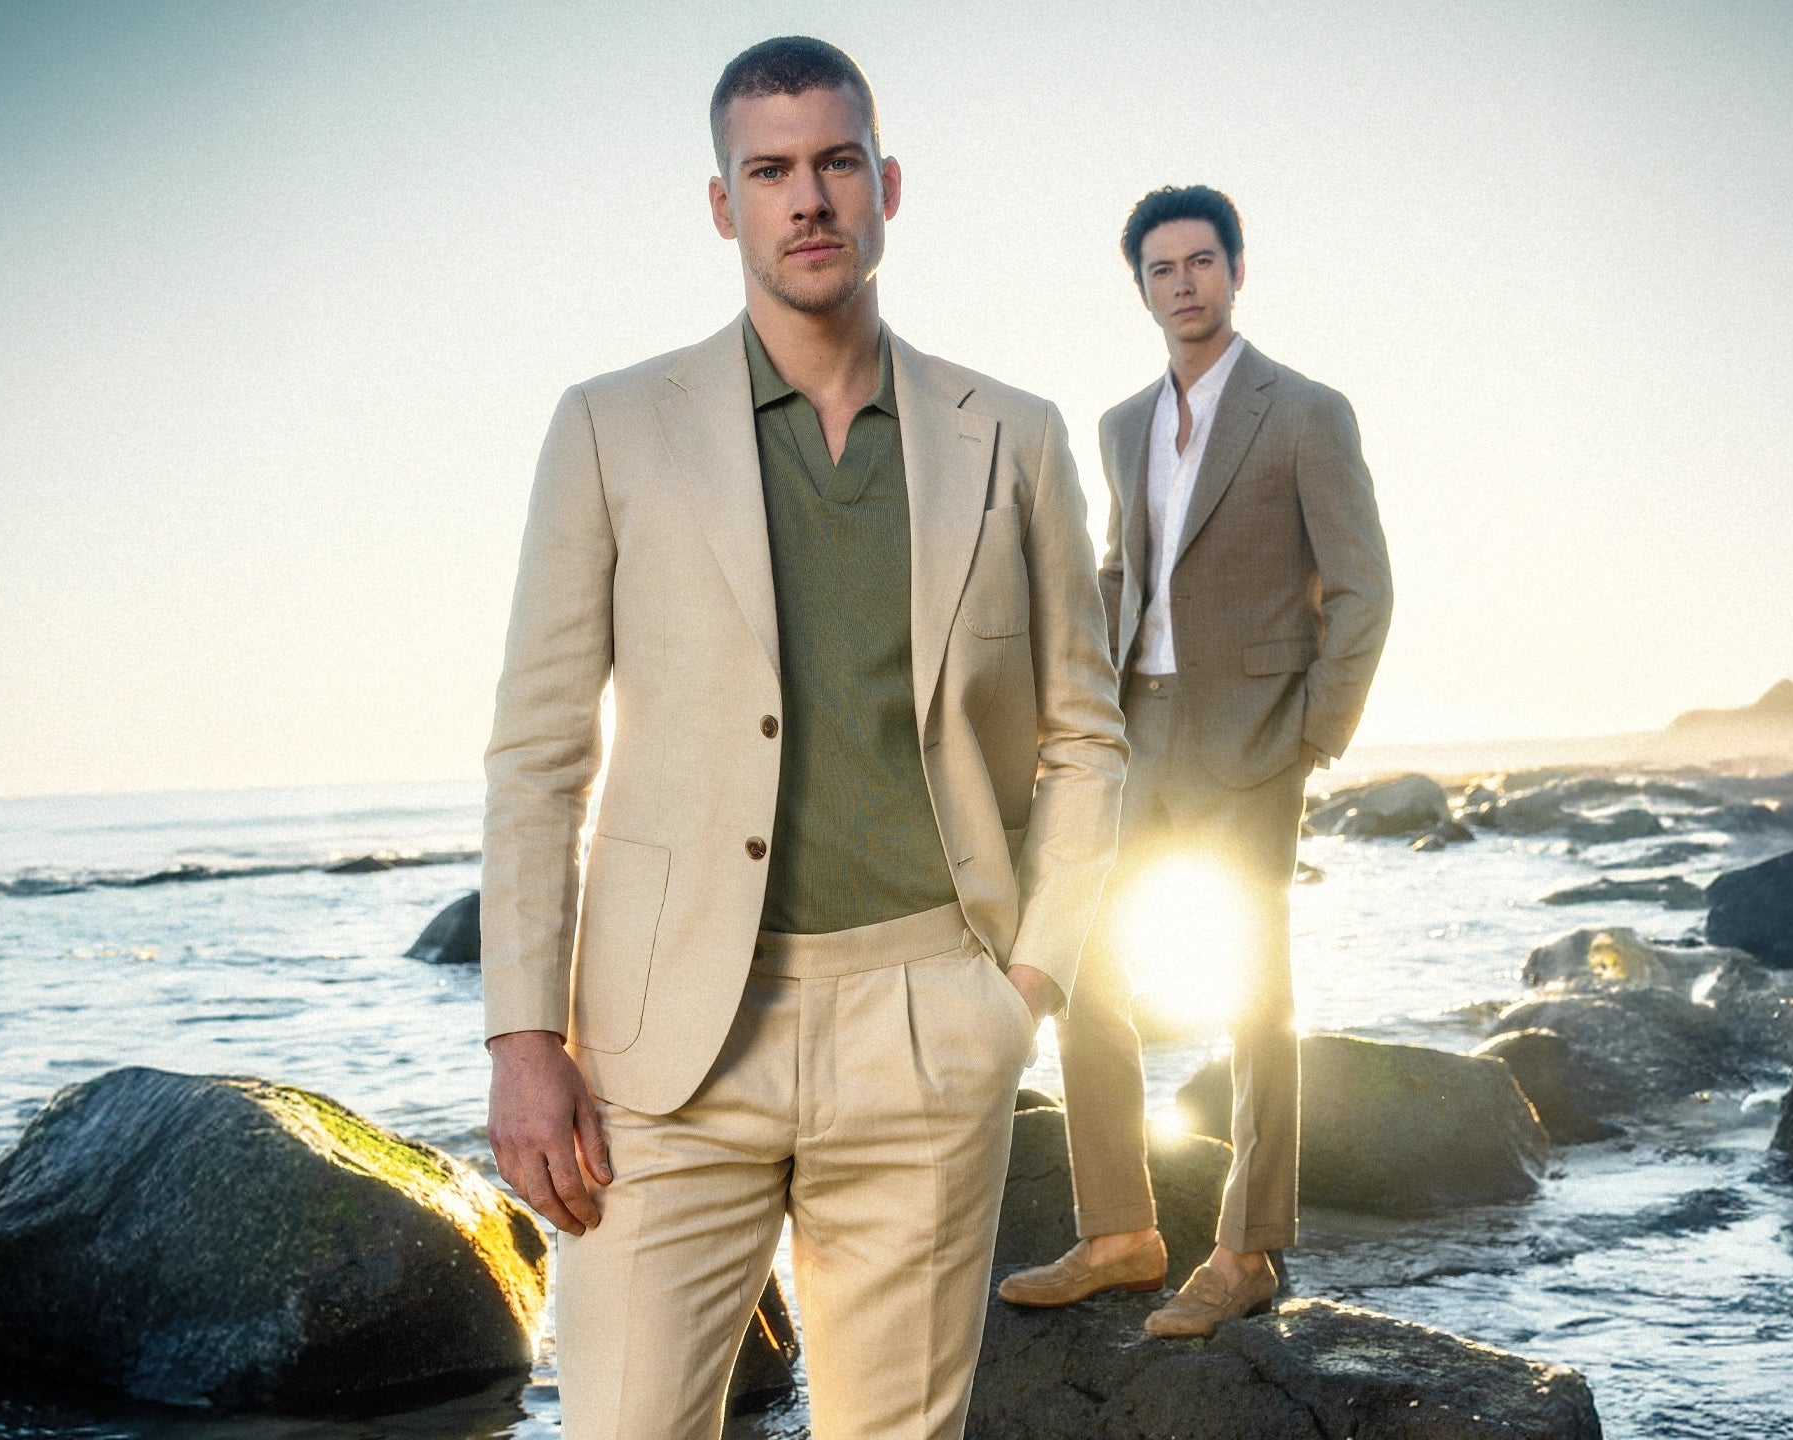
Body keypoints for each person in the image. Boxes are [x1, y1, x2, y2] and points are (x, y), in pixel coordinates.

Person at [478, 36, 1125, 1439]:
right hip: (664, 1053)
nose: (808, 198)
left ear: (886, 184)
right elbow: (538, 750)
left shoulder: (1014, 437)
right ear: (725, 206)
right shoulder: (609, 428)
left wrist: (1024, 988)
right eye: (770, 172)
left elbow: (1086, 737)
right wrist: (524, 1036)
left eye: (836, 162)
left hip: (927, 1025)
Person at [997, 184, 1392, 1337]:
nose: (1183, 283)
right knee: (1085, 966)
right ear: (1140, 288)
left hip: (1255, 738)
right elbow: (1124, 570)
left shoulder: (1306, 412)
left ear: (1236, 270)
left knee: (1255, 995)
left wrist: (1311, 733)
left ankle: (1248, 1248)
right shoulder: (1122, 424)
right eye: (1161, 268)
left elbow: (1363, 588)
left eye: (1201, 261)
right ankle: (1120, 1234)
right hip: (1137, 730)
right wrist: (1070, 691)